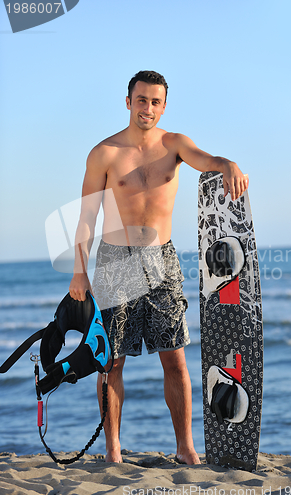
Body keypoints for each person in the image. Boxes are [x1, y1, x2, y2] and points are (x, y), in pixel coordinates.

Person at [69, 70, 249, 465]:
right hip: (116, 261)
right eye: (140, 99)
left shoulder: (174, 144)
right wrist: (79, 271)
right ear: (128, 100)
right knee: (110, 360)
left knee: (175, 357)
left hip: (161, 261)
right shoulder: (105, 152)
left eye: (155, 101)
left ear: (163, 106)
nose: (147, 108)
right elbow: (86, 217)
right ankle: (113, 450)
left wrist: (228, 163)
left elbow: (207, 161)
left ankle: (185, 448)